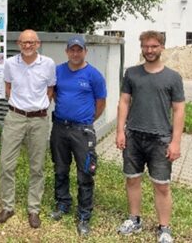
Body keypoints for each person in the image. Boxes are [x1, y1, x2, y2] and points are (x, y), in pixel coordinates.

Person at [116, 31, 185, 243]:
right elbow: (124, 102)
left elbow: (179, 110)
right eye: (146, 46)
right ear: (141, 47)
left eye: (154, 46)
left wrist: (175, 142)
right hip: (133, 136)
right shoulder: (132, 73)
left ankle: (164, 228)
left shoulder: (173, 77)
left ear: (162, 47)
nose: (149, 50)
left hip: (160, 139)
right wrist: (120, 131)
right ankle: (134, 219)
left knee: (162, 186)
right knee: (132, 180)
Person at [0, 29, 56, 228]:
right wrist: (19, 106)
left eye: (31, 43)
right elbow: (8, 87)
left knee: (37, 166)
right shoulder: (10, 64)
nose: (27, 46)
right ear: (19, 44)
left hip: (39, 120)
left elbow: (50, 90)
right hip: (15, 117)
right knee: (6, 163)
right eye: (23, 43)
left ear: (38, 44)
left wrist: (39, 107)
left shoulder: (48, 64)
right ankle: (7, 206)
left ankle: (34, 209)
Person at [49, 36, 107, 236]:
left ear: (85, 52)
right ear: (67, 51)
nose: (75, 53)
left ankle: (84, 215)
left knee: (85, 172)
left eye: (79, 50)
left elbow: (101, 102)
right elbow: (55, 93)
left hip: (82, 130)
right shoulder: (58, 71)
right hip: (59, 127)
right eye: (72, 50)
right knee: (60, 168)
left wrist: (87, 119)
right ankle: (63, 203)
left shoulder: (94, 75)